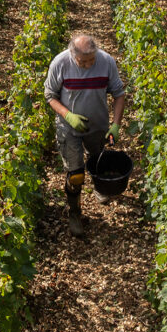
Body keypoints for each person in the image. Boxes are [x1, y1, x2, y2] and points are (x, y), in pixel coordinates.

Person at [45, 34, 126, 237]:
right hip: (68, 128)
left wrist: (115, 125)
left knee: (98, 160)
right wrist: (68, 115)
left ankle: (99, 188)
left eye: (92, 60)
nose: (89, 65)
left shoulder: (106, 61)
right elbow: (50, 95)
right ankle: (75, 212)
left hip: (97, 126)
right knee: (76, 174)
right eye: (83, 62)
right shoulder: (60, 63)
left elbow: (118, 94)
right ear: (73, 55)